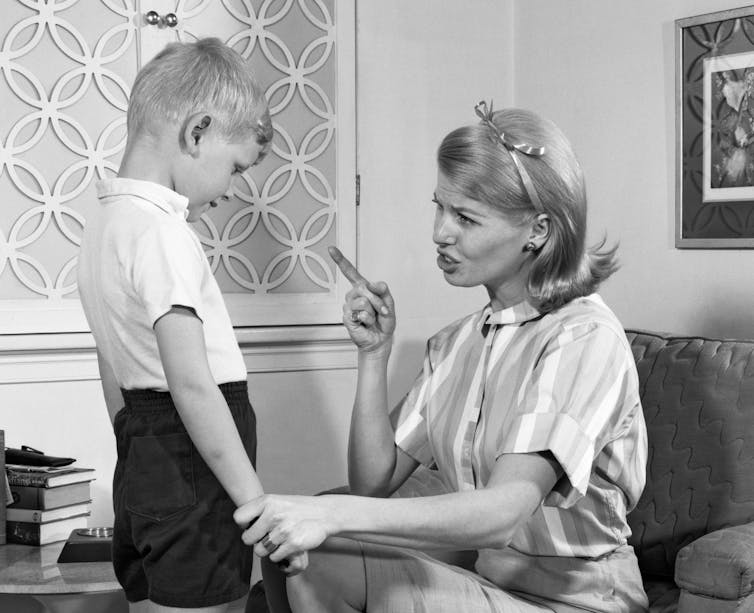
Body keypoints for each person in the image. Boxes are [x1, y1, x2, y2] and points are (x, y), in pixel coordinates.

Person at [234, 102, 650, 613]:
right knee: (295, 550)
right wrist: (374, 355)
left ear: (538, 231)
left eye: (466, 217)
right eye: (441, 207)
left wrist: (331, 514)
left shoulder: (584, 338)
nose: (440, 232)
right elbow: (373, 482)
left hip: (582, 601)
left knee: (320, 542)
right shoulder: (457, 343)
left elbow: (504, 512)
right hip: (493, 581)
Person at [77, 38, 305, 613]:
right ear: (197, 132)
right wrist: (257, 507)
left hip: (142, 448)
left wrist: (135, 457)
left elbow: (112, 361)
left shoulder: (104, 224)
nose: (229, 188)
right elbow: (192, 383)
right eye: (233, 168)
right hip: (188, 460)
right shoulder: (162, 231)